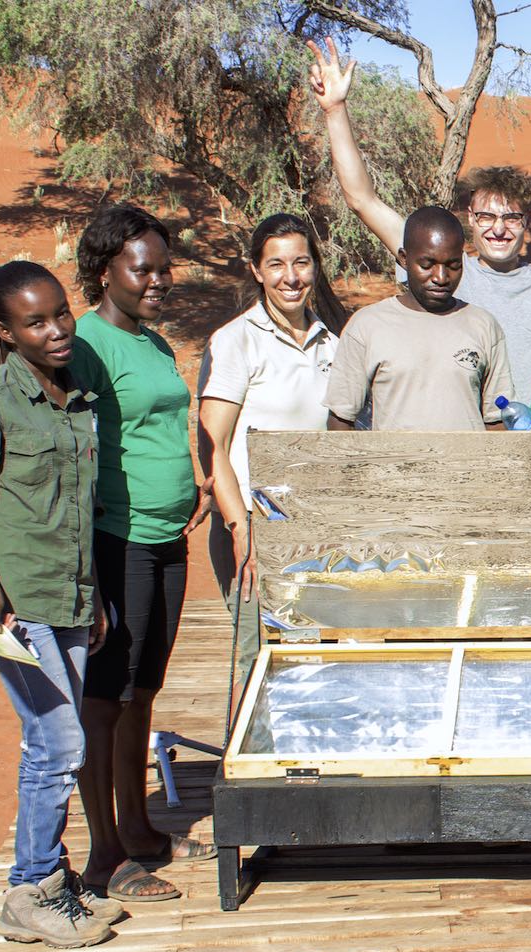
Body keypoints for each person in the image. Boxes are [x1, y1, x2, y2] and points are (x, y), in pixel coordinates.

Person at [0, 261, 119, 947]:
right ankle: (30, 887)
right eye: (35, 321)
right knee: (57, 742)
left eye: (61, 313)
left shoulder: (74, 396)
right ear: (4, 331)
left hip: (69, 593)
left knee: (57, 741)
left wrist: (97, 596)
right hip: (14, 604)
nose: (56, 330)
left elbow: (77, 510)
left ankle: (52, 883)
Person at [69, 205, 213, 905]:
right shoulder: (87, 345)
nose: (159, 280)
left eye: (164, 267)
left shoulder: (153, 344)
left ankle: (140, 828)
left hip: (167, 541)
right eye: (143, 269)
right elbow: (74, 448)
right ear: (105, 273)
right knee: (104, 699)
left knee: (142, 691)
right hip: (116, 540)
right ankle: (103, 859)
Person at [307, 38, 531, 400]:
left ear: (527, 222)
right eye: (487, 216)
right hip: (461, 439)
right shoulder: (447, 271)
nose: (499, 228)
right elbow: (363, 200)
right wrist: (334, 110)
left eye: (512, 217)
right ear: (470, 220)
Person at [197, 214, 348, 699]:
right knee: (257, 654)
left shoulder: (334, 343)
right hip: (254, 530)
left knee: (316, 654)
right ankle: (242, 767)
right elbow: (213, 444)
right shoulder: (236, 340)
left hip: (318, 531)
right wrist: (241, 528)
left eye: (301, 263)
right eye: (276, 264)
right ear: (257, 271)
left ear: (316, 268)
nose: (291, 277)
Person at [323, 206, 513, 432]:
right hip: (395, 467)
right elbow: (340, 420)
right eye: (427, 265)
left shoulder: (483, 326)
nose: (441, 278)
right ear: (404, 258)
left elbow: (497, 420)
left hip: (467, 466)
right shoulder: (367, 326)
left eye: (453, 265)